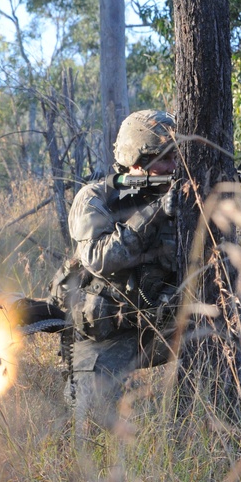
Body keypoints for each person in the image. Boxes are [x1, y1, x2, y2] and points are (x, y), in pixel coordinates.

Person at [61, 109, 180, 429]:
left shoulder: (180, 198)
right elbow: (100, 258)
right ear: (135, 160)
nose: (172, 167)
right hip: (109, 331)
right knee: (96, 428)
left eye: (175, 158)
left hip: (167, 323)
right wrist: (154, 213)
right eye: (163, 158)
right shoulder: (96, 197)